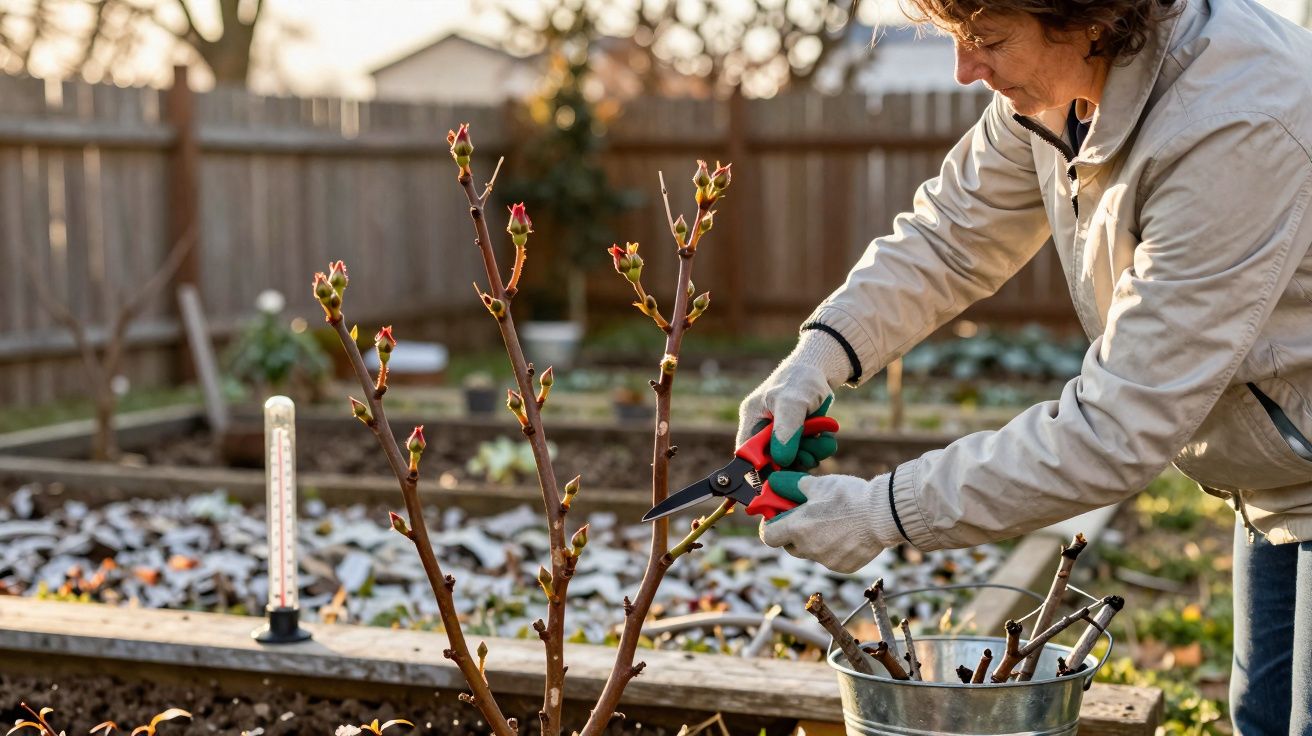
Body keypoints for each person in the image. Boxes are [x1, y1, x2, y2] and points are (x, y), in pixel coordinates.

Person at [736, 0, 1312, 730]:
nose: (964, 69)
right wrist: (815, 357)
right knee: (1262, 718)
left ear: (1085, 16)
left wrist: (884, 512)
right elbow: (949, 239)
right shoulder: (1068, 93)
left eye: (989, 41)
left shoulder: (1233, 125)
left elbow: (1115, 429)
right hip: (1283, 478)